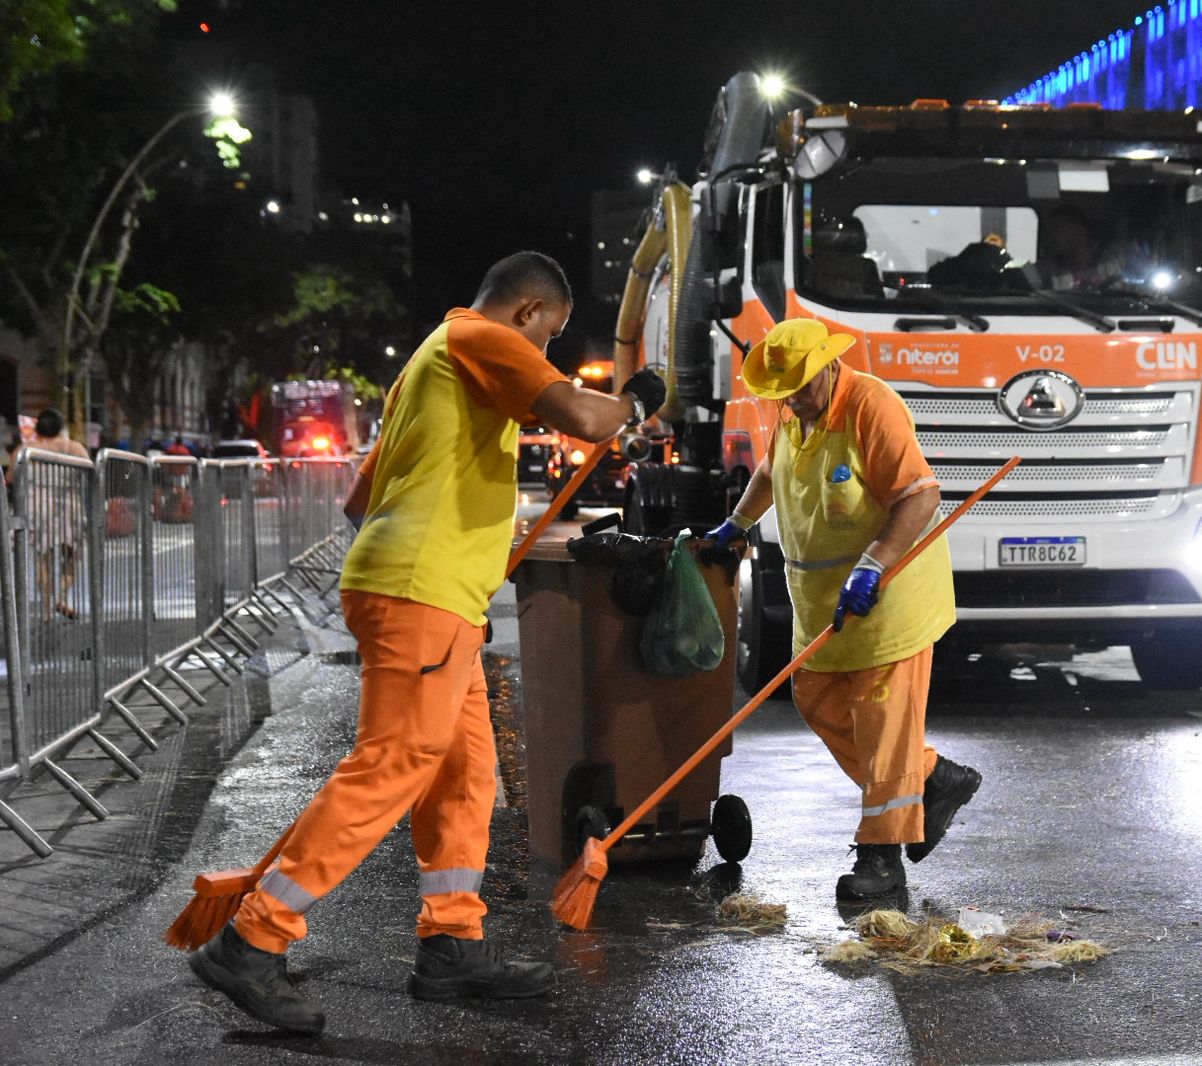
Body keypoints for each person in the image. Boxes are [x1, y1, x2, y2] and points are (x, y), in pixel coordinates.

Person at [188, 251, 667, 1035]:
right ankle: (253, 938)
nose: (543, 351)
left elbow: (359, 500)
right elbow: (585, 418)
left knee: (465, 775)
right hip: (422, 594)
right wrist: (636, 399)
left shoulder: (428, 367)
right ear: (527, 312)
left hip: (432, 596)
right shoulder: (482, 336)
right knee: (393, 764)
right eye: (549, 335)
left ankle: (452, 944)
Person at [707, 318, 982, 901]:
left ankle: (881, 857)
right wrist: (737, 523)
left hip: (888, 596)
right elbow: (771, 472)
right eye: (785, 391)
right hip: (821, 602)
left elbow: (919, 495)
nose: (794, 400)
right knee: (815, 697)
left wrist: (874, 564)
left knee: (882, 724)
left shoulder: (870, 405)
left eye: (803, 386)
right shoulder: (793, 413)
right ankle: (933, 778)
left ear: (830, 365)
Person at [25, 408, 90, 620]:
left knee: (42, 559)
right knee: (71, 556)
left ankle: (45, 611)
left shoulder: (27, 450)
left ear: (37, 428)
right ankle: (60, 597)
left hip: (38, 506)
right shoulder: (74, 448)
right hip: (68, 505)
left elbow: (10, 477)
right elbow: (91, 473)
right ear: (62, 427)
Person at [1028, 202, 1126, 290]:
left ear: (1079, 231)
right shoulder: (1050, 266)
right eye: (1049, 232)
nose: (1051, 237)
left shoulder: (1111, 260)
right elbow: (1028, 280)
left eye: (1057, 230)